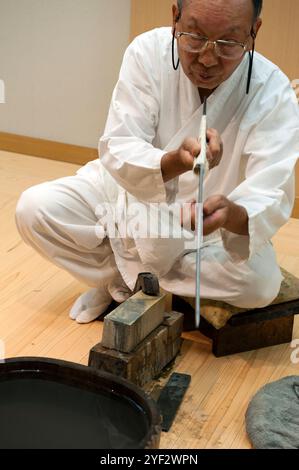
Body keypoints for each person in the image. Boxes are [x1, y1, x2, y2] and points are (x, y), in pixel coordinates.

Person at [15, 0, 299, 324]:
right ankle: (131, 280)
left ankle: (125, 282)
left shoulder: (273, 90)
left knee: (260, 285)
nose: (207, 58)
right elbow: (120, 144)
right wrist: (173, 161)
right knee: (33, 210)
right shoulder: (147, 52)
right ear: (175, 18)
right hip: (128, 199)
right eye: (195, 36)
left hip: (204, 229)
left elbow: (272, 190)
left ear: (253, 32)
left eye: (228, 42)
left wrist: (230, 213)